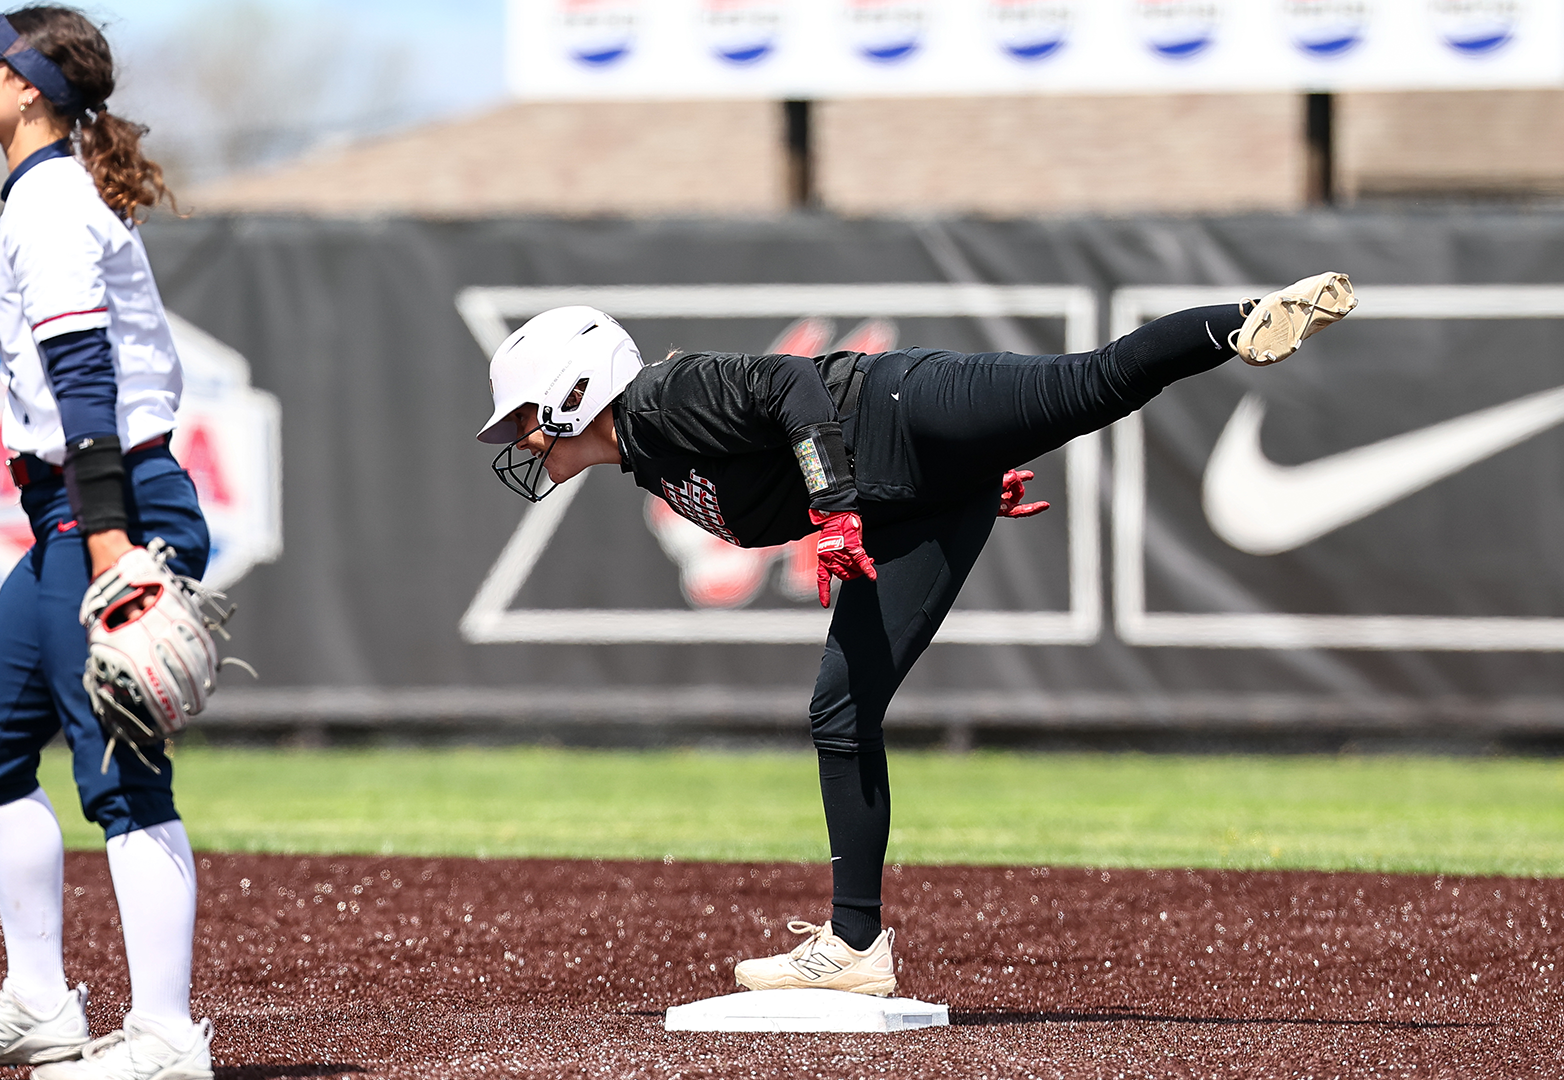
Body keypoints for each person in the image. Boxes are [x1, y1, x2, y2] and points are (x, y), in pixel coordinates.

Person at [476, 273, 1357, 996]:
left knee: (1091, 382)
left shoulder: (666, 400)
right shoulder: (651, 458)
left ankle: (1247, 321)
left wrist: (836, 507)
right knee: (841, 710)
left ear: (572, 392)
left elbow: (795, 385)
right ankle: (855, 947)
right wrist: (947, 481)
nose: (517, 436)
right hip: (918, 492)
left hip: (903, 406)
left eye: (520, 412)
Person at [0, 9, 215, 1079]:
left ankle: (168, 1037)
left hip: (110, 506)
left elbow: (86, 380)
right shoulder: (46, 194)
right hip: (76, 514)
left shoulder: (48, 203)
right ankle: (41, 1001)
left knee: (121, 772)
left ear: (30, 88)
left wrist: (108, 547)